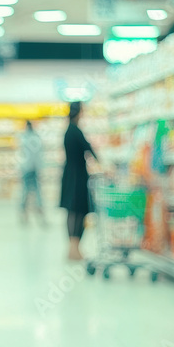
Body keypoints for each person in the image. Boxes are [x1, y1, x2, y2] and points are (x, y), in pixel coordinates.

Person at [59, 101, 99, 261]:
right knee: (79, 211)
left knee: (71, 211)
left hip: (69, 175)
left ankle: (72, 248)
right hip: (78, 177)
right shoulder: (75, 130)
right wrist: (101, 164)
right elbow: (88, 148)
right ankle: (75, 248)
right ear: (79, 112)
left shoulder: (68, 131)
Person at [19, 120, 45, 224]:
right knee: (36, 193)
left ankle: (25, 216)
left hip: (26, 169)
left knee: (26, 193)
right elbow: (38, 155)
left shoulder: (23, 138)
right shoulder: (35, 138)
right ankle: (40, 216)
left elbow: (23, 155)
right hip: (33, 169)